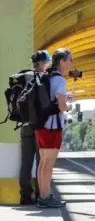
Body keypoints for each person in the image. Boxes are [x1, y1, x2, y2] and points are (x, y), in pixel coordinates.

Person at [36, 48, 74, 209]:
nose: (72, 63)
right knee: (48, 164)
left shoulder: (47, 77)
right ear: (62, 62)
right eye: (70, 60)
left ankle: (43, 195)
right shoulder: (59, 80)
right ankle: (45, 197)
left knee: (43, 162)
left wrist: (64, 98)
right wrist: (69, 104)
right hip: (52, 127)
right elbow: (62, 107)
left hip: (41, 125)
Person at [19, 50, 52, 205]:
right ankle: (40, 195)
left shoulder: (24, 78)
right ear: (40, 64)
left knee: (26, 163)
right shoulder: (45, 79)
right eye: (47, 62)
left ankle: (25, 196)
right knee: (41, 162)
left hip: (25, 126)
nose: (48, 64)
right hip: (40, 127)